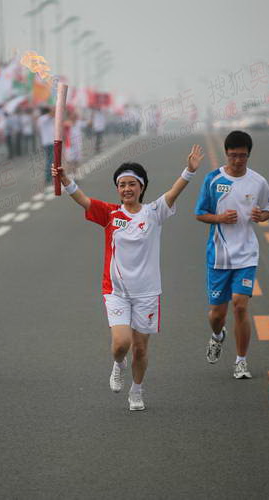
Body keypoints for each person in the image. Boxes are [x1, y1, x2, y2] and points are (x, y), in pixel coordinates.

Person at [52, 145, 204, 411]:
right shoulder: (111, 214)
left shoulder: (154, 212)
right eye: (122, 185)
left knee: (141, 349)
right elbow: (84, 200)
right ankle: (118, 364)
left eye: (132, 184)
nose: (126, 189)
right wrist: (66, 180)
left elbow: (173, 192)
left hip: (146, 292)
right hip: (116, 290)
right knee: (121, 344)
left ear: (141, 187)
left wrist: (189, 171)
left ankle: (137, 390)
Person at [195, 130, 269, 379]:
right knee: (217, 314)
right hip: (219, 255)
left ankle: (241, 361)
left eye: (242, 156)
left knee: (240, 305)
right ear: (226, 154)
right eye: (233, 156)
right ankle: (218, 335)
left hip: (246, 255)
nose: (238, 160)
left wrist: (262, 216)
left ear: (249, 155)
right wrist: (218, 218)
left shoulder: (258, 182)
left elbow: (268, 209)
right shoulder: (212, 179)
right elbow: (200, 213)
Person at [37, 107, 54, 185]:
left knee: (50, 159)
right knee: (50, 160)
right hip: (49, 142)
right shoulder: (43, 118)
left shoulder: (42, 119)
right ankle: (48, 177)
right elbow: (51, 114)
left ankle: (49, 177)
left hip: (48, 142)